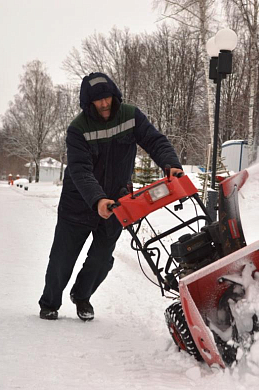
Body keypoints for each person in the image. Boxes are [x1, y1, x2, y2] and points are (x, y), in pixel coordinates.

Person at [39, 72, 183, 321]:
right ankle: (50, 303)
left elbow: (154, 140)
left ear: (114, 95)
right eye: (98, 100)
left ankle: (82, 297)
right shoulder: (78, 129)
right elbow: (81, 170)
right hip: (80, 202)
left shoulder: (130, 116)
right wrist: (97, 200)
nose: (104, 104)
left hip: (117, 201)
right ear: (88, 102)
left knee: (101, 259)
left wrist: (170, 163)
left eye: (107, 97)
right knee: (62, 259)